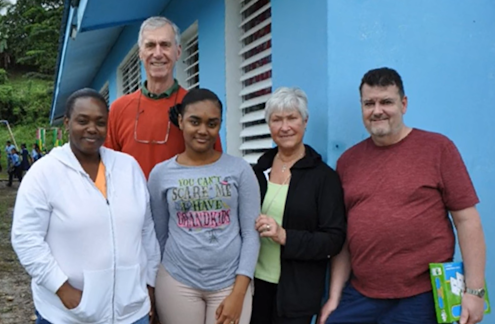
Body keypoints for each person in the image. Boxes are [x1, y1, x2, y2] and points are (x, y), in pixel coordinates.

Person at [319, 68, 486, 324]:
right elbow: (344, 237)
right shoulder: (348, 162)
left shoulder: (438, 149)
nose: (377, 110)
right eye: (369, 103)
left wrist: (475, 292)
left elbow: (467, 220)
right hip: (361, 294)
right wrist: (335, 296)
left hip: (423, 297)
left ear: (403, 104)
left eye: (386, 101)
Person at [11, 88, 160, 324]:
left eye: (100, 122)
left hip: (131, 312)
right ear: (67, 123)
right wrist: (61, 288)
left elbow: (147, 230)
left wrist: (150, 281)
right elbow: (25, 238)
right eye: (83, 121)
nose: (92, 128)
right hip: (68, 313)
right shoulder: (44, 173)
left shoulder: (128, 167)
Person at [148, 88, 260, 324]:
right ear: (180, 121)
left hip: (229, 283)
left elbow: (251, 234)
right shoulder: (161, 174)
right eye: (194, 122)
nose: (203, 131)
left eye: (212, 123)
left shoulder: (240, 170)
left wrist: (239, 293)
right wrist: (151, 284)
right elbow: (158, 235)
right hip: (177, 282)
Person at [249, 87, 346, 324]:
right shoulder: (256, 172)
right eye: (277, 120)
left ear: (305, 121)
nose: (285, 127)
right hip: (253, 287)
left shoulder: (323, 177)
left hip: (296, 293)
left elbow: (334, 239)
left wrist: (285, 236)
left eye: (292, 118)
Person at [105, 16, 221, 179]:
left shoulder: (197, 106)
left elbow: (216, 165)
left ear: (178, 52)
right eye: (150, 45)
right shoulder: (118, 109)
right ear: (141, 53)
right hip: (132, 204)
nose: (157, 54)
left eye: (165, 45)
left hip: (182, 202)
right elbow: (107, 169)